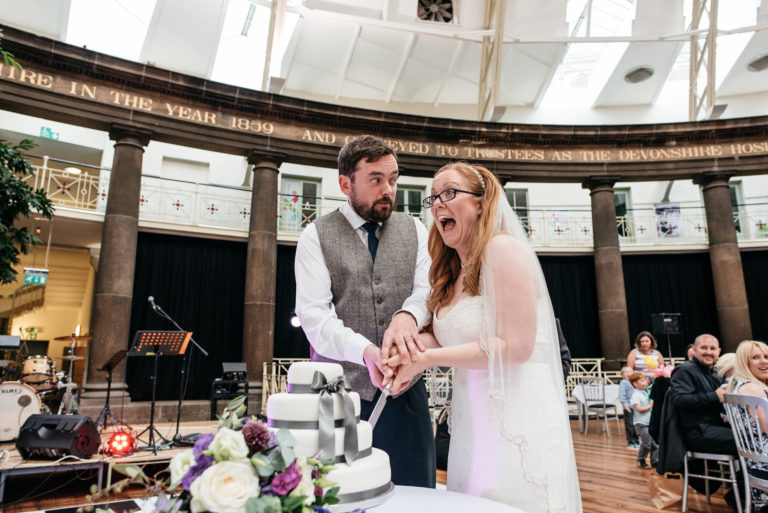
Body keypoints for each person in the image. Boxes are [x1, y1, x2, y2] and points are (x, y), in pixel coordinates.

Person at [382, 162, 582, 512]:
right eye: (433, 199)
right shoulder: (451, 272)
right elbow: (447, 339)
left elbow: (516, 347)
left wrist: (426, 360)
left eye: (449, 193)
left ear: (480, 202)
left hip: (516, 420)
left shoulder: (502, 250)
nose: (438, 204)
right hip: (475, 423)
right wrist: (406, 355)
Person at [293, 135, 435, 487]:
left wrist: (409, 316)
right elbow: (315, 318)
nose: (388, 189)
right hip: (338, 394)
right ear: (346, 183)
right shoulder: (315, 235)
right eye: (376, 179)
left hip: (407, 390)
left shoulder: (415, 229)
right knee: (341, 492)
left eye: (393, 179)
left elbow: (427, 291)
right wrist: (366, 351)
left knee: (417, 492)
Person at [659, 334, 741, 509]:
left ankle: (744, 495)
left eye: (712, 349)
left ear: (719, 351)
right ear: (694, 350)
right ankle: (740, 497)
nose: (708, 352)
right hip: (697, 432)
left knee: (753, 440)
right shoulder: (684, 370)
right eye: (704, 348)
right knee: (749, 444)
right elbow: (679, 400)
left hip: (713, 427)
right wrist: (714, 396)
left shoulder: (713, 372)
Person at [630, 372, 658, 468]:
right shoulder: (636, 395)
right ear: (635, 384)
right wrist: (650, 405)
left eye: (646, 379)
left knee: (655, 443)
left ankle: (655, 460)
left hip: (650, 422)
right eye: (642, 380)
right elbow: (639, 409)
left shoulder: (647, 392)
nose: (646, 381)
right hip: (641, 423)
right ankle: (641, 459)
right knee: (647, 444)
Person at [619, 366, 640, 449]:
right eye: (626, 372)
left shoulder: (634, 382)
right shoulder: (623, 383)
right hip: (628, 407)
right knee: (629, 425)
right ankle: (631, 441)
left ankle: (637, 440)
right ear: (622, 375)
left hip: (635, 406)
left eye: (630, 371)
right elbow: (622, 395)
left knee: (635, 424)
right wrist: (625, 405)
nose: (629, 374)